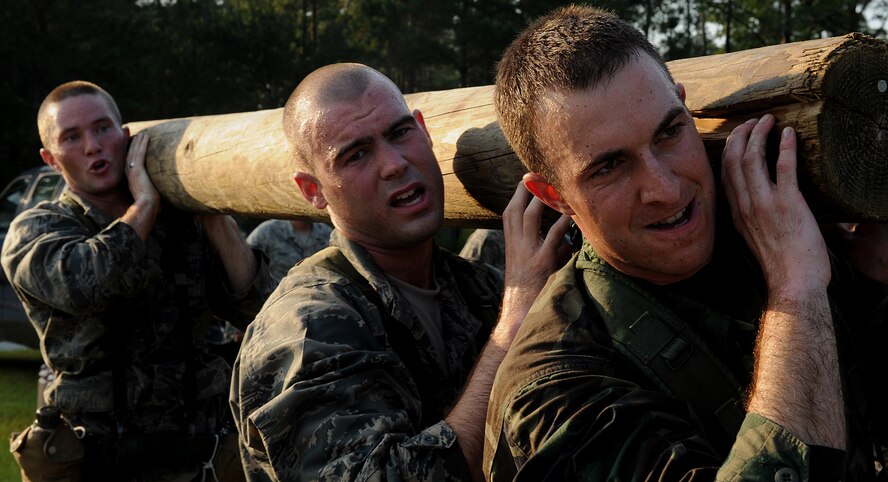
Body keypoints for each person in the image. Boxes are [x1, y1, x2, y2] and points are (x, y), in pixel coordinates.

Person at [483, 5, 888, 482]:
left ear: (685, 108)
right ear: (554, 195)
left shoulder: (776, 236)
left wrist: (875, 280)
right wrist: (797, 294)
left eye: (670, 132)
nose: (665, 189)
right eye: (609, 168)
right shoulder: (552, 388)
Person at [230, 63, 572, 482]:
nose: (394, 164)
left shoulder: (476, 287)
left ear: (424, 131)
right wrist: (516, 322)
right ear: (313, 190)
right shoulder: (306, 326)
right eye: (356, 154)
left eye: (399, 133)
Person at [2, 80, 276, 481]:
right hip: (100, 461)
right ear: (50, 159)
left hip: (201, 455)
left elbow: (256, 307)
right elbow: (94, 283)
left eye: (102, 129)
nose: (93, 145)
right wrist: (145, 202)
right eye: (72, 137)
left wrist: (213, 213)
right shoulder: (39, 229)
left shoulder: (181, 225)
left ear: (125, 136)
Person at [246, 218, 333, 282]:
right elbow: (245, 260)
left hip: (316, 298)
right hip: (277, 298)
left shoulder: (326, 234)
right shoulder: (268, 231)